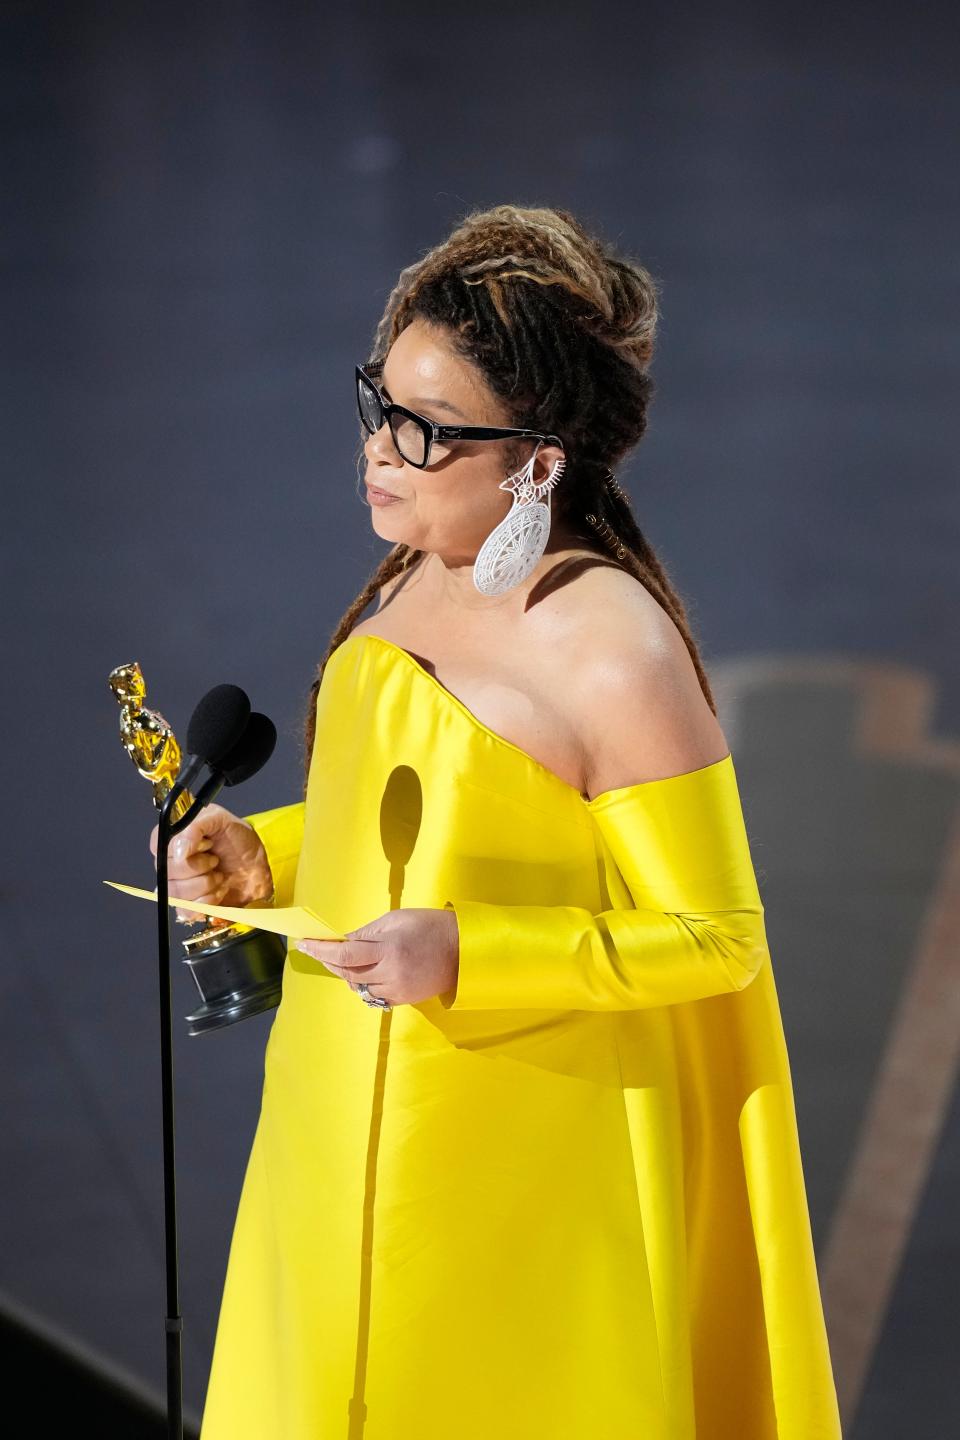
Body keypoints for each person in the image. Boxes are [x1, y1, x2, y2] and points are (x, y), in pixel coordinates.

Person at [157, 205, 842, 1438]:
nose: (379, 449)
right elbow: (439, 801)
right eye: (379, 403)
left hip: (513, 1152)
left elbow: (716, 935)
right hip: (331, 1111)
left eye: (423, 431)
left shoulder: (611, 649)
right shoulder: (422, 560)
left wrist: (470, 952)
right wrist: (272, 854)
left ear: (535, 463)